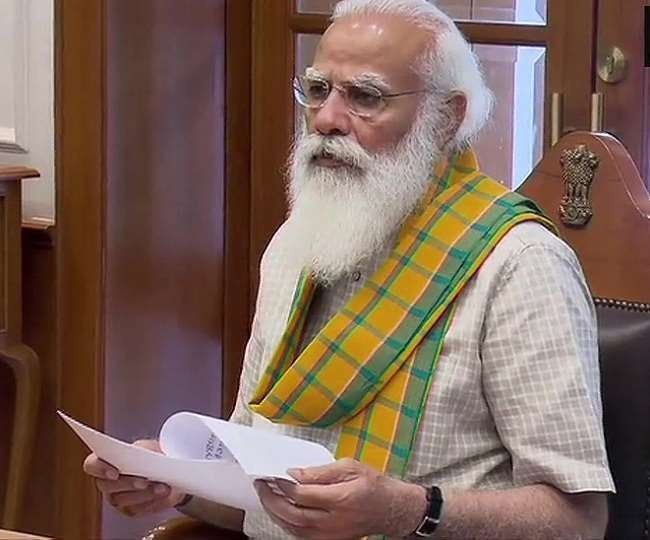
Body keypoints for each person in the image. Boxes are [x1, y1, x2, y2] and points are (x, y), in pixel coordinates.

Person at [84, 0, 614, 538]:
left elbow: (578, 522)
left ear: (446, 117)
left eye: (365, 97)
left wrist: (413, 510)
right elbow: (256, 498)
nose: (326, 119)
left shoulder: (519, 264)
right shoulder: (297, 245)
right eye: (318, 90)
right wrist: (177, 482)